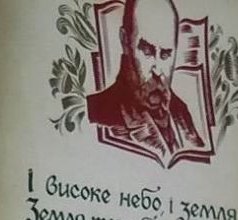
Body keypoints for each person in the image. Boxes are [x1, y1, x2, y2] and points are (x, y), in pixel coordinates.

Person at [86, 0, 208, 167]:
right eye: (147, 51)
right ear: (125, 41)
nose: (157, 70)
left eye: (165, 55)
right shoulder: (97, 112)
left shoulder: (181, 112)